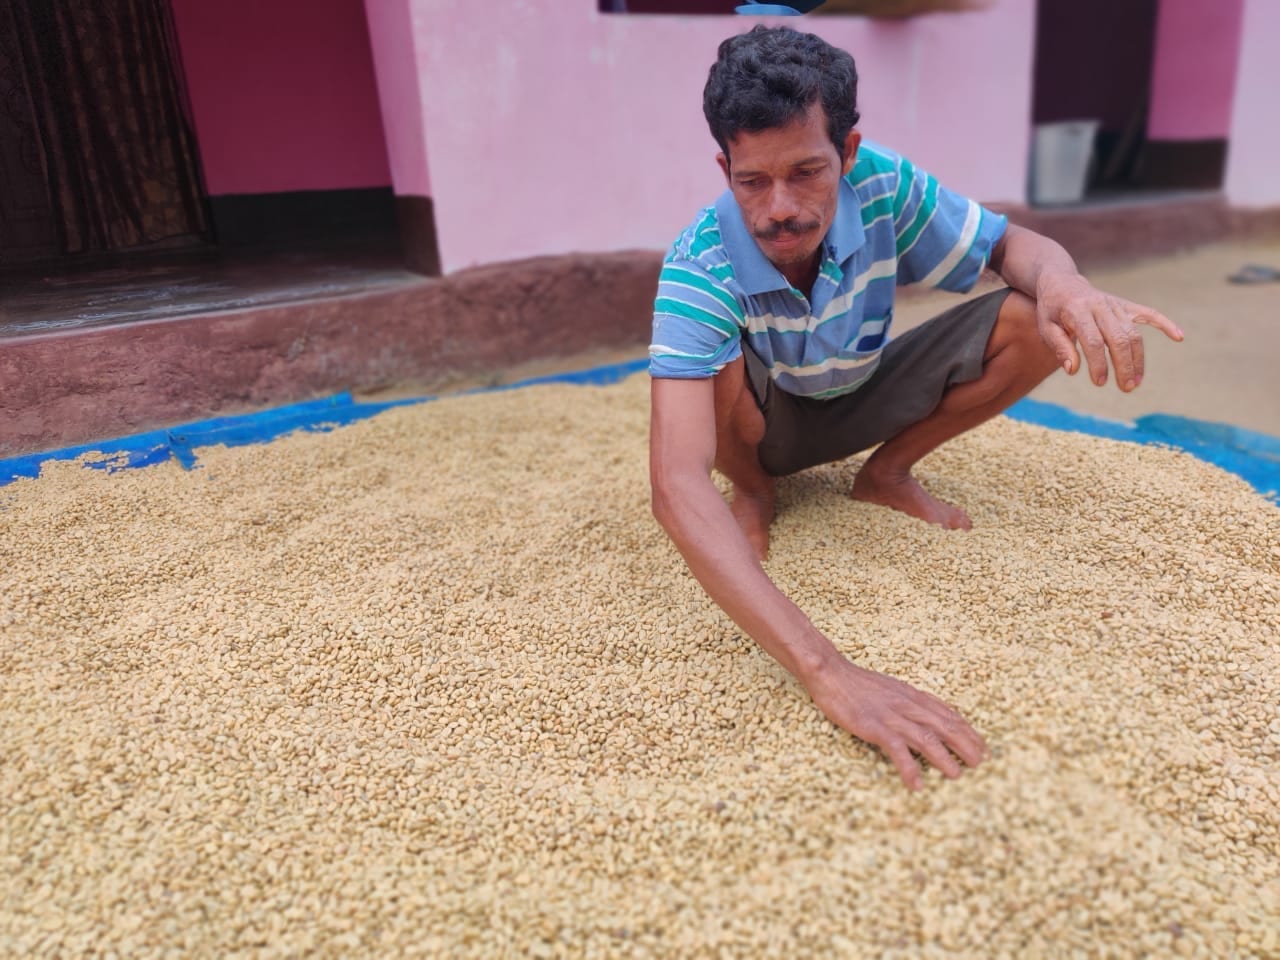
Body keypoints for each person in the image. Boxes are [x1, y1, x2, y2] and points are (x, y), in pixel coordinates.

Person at [647, 25, 1183, 790]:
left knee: (1037, 315)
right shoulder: (697, 263)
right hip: (764, 426)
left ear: (850, 152)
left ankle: (887, 471)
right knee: (707, 368)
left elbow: (1010, 247)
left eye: (807, 172)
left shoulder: (885, 187)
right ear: (724, 166)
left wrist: (1067, 283)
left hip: (864, 388)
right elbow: (674, 481)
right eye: (753, 180)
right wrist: (828, 672)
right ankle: (760, 491)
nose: (781, 208)